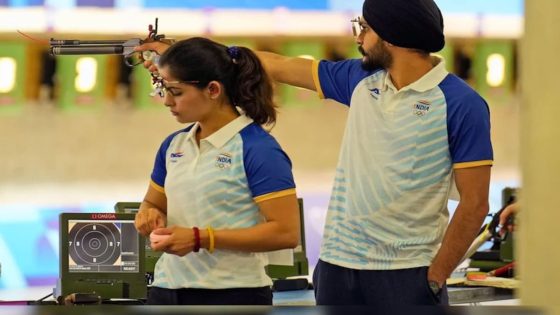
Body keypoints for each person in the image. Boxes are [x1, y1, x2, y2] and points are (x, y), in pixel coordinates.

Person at [135, 0, 493, 306]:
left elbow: (475, 202)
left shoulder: (461, 104)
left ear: (390, 35)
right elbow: (279, 65)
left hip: (407, 272)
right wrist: (185, 53)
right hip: (337, 268)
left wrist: (436, 275)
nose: (357, 37)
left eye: (364, 28)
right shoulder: (361, 80)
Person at [133, 37, 301, 305]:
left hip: (233, 294)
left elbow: (285, 232)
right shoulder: (174, 144)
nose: (166, 101)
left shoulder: (258, 148)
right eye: (164, 90)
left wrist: (201, 238)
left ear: (212, 89)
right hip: (167, 288)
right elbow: (153, 202)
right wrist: (148, 214)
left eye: (175, 92)